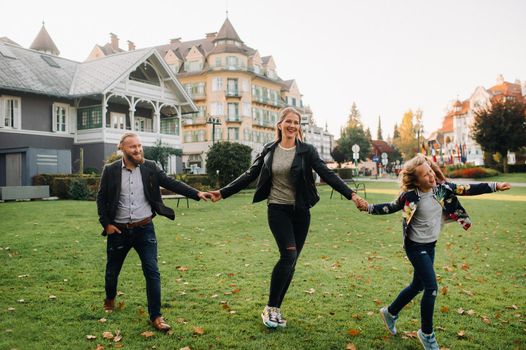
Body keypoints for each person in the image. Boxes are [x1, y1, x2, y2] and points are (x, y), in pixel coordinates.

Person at [208, 107, 366, 328]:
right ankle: (270, 308)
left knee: (291, 263)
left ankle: (275, 310)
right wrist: (222, 192)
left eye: (296, 122)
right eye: (289, 121)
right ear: (280, 124)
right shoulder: (269, 149)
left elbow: (327, 174)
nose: (292, 125)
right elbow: (250, 174)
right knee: (288, 256)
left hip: (301, 212)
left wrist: (352, 195)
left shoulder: (307, 151)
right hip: (277, 209)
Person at [356, 154, 511, 350]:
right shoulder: (411, 196)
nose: (430, 177)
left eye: (430, 172)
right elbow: (391, 207)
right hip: (415, 247)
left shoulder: (440, 190)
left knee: (417, 286)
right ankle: (427, 333)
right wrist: (368, 207)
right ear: (415, 180)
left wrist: (495, 186)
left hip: (430, 245)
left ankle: (390, 312)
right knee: (431, 287)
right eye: (425, 175)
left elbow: (469, 189)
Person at [96, 132, 211, 332]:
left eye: (139, 145)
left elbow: (171, 183)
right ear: (122, 148)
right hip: (119, 231)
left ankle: (156, 317)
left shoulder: (150, 167)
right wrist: (106, 224)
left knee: (152, 271)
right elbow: (101, 198)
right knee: (112, 272)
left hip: (144, 228)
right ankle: (110, 298)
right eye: (132, 146)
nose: (138, 149)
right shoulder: (111, 170)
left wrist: (196, 193)